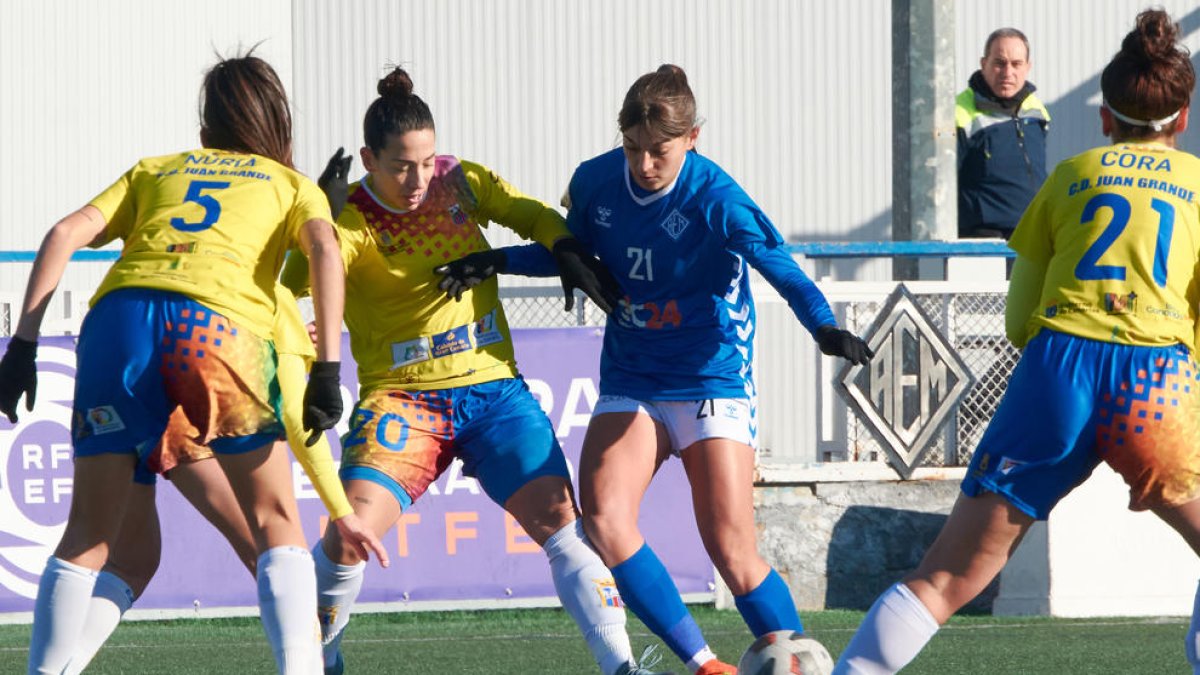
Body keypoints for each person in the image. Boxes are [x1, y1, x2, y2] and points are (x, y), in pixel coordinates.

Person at [449, 64, 872, 675]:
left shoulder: (717, 198)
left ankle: (794, 662)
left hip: (712, 376)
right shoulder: (595, 182)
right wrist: (497, 260)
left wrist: (824, 326)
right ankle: (705, 665)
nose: (645, 164)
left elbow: (779, 267)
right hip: (634, 376)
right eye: (633, 148)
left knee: (730, 548)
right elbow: (571, 256)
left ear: (693, 137)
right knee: (605, 521)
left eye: (660, 151)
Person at [833, 9, 1200, 673]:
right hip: (1155, 384)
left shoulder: (1067, 179)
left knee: (946, 577)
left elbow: (1017, 318)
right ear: (1180, 118)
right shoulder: (1199, 188)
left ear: (1105, 119)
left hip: (1058, 370)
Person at [282, 67, 662, 675]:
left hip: (492, 393)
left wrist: (564, 248)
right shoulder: (348, 216)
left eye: (426, 161)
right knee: (347, 534)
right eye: (402, 165)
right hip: (402, 402)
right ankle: (321, 658)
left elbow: (534, 215)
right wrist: (318, 226)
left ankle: (622, 666)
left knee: (565, 524)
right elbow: (292, 285)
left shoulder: (459, 180)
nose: (418, 179)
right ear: (367, 159)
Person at [0, 53, 353, 675]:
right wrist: (328, 368)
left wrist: (21, 347)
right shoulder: (289, 184)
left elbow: (61, 233)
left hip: (118, 326)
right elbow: (324, 248)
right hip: (211, 328)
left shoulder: (155, 169)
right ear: (280, 122)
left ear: (204, 127)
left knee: (94, 538)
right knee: (273, 520)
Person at [56, 281, 389, 675]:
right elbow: (301, 427)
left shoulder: (207, 270)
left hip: (116, 379)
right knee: (274, 553)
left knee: (131, 561)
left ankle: (53, 668)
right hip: (175, 418)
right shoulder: (269, 299)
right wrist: (342, 510)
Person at [956, 27, 1050, 240]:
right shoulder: (959, 113)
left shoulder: (1037, 111)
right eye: (999, 63)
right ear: (983, 64)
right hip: (983, 240)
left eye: (1016, 64)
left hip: (1031, 234)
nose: (1008, 73)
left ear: (1028, 67)